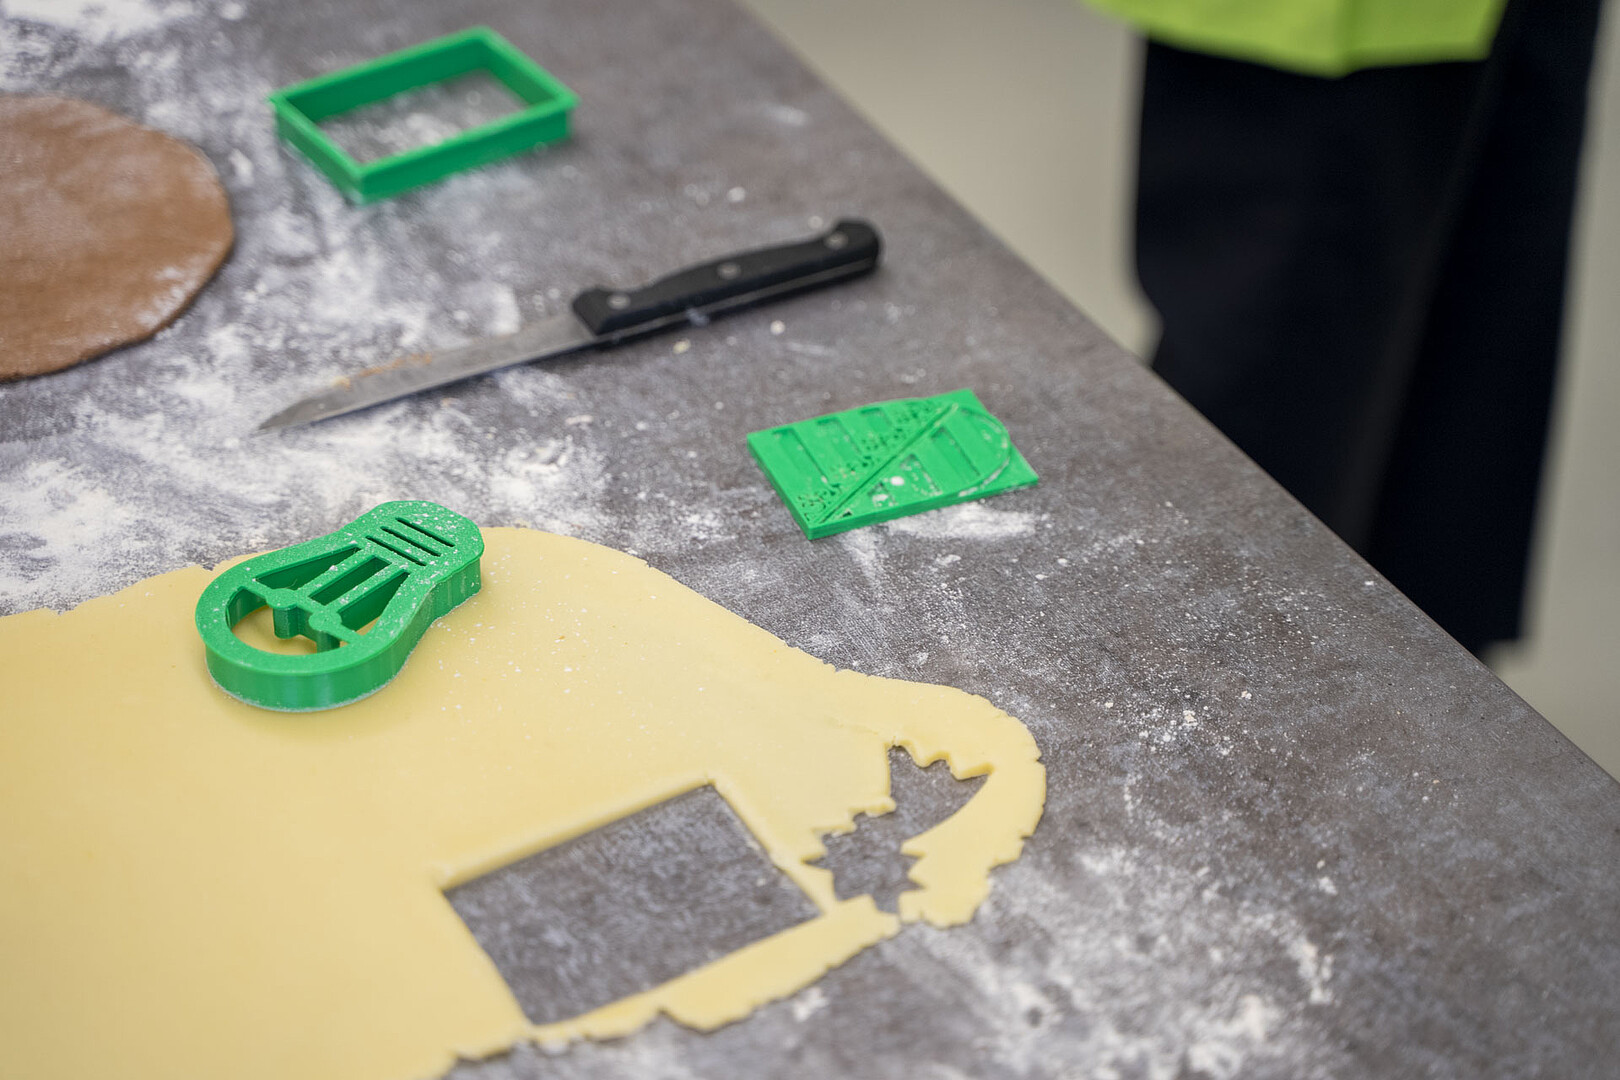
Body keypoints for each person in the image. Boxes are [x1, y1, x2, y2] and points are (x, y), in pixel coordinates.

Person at [1088, 0, 1606, 654]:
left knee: (1462, 409)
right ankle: (1213, 680)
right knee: (1262, 479)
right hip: (1315, 30)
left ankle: (1422, 692)